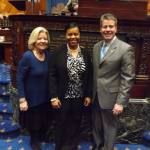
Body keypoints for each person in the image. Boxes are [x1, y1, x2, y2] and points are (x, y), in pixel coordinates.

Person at [92, 13, 135, 150]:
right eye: (105, 27)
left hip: (112, 99)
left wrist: (120, 102)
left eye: (111, 26)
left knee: (110, 130)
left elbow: (128, 78)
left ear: (116, 28)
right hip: (96, 96)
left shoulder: (125, 49)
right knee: (96, 126)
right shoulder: (96, 47)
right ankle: (98, 147)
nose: (107, 29)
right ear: (100, 29)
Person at [49, 22, 92, 150]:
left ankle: (72, 146)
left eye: (76, 34)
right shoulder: (57, 53)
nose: (73, 37)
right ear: (65, 36)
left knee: (76, 122)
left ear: (80, 35)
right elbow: (52, 76)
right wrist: (53, 97)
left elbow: (89, 76)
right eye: (70, 34)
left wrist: (88, 95)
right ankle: (60, 146)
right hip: (62, 97)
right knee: (61, 122)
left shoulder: (85, 53)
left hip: (79, 97)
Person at [17, 27, 52, 150]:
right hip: (32, 99)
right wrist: (22, 99)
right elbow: (20, 78)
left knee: (44, 120)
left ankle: (42, 136)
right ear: (34, 40)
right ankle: (34, 141)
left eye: (45, 38)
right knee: (34, 123)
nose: (43, 41)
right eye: (40, 38)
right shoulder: (27, 56)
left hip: (46, 97)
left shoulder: (48, 55)